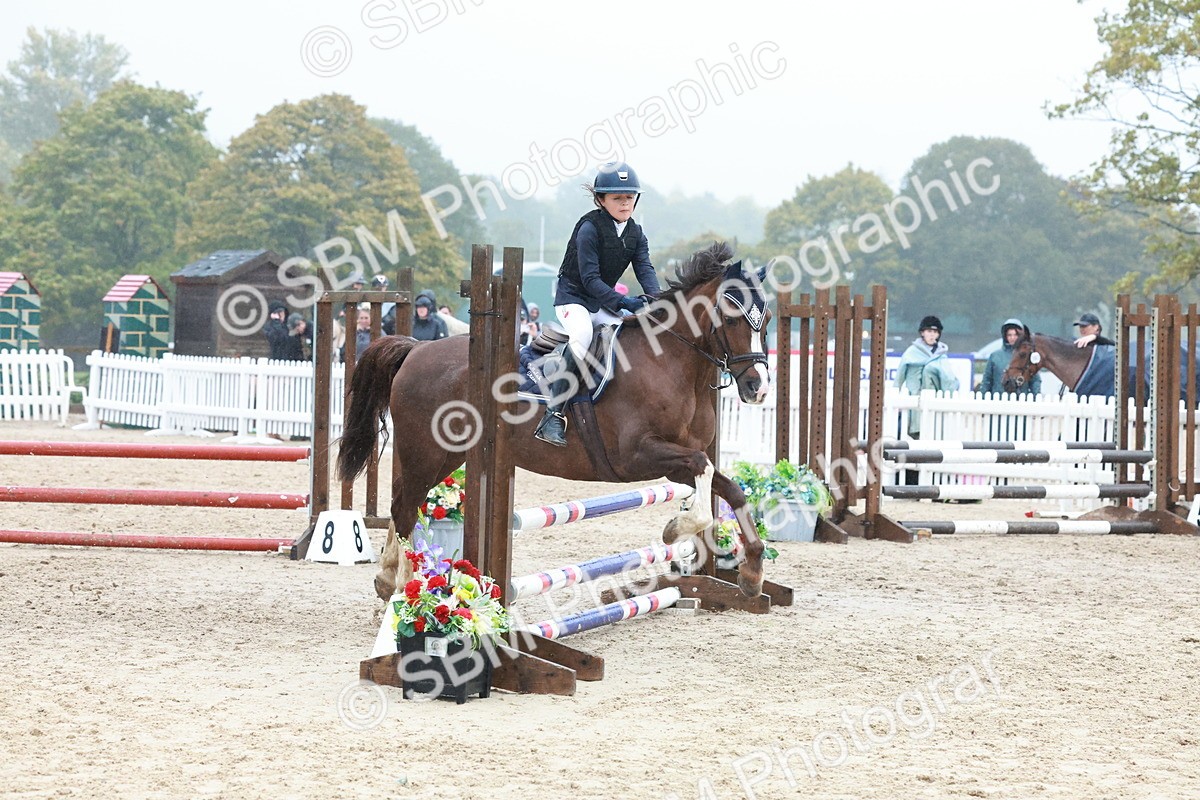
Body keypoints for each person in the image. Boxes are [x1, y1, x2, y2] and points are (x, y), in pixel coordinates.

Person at [534, 161, 662, 447]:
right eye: (617, 198)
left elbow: (646, 271)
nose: (625, 203)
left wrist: (658, 300)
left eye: (629, 197)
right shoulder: (589, 228)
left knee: (631, 336)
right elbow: (590, 279)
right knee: (582, 335)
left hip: (603, 302)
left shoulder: (636, 234)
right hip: (574, 298)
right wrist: (625, 302)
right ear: (601, 200)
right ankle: (552, 415)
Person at [895, 316, 960, 438]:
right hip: (915, 398)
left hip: (935, 399)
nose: (932, 335)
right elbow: (900, 376)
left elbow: (949, 378)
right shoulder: (911, 352)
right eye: (929, 331)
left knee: (934, 432)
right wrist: (896, 395)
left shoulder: (941, 354)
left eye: (935, 332)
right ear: (922, 333)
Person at [979, 318, 1040, 396]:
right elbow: (987, 380)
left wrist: (1036, 397)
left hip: (1021, 402)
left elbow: (1035, 380)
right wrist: (982, 397)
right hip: (998, 401)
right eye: (1009, 335)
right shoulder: (995, 356)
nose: (1012, 338)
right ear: (1005, 336)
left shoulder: (1027, 356)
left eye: (1015, 335)